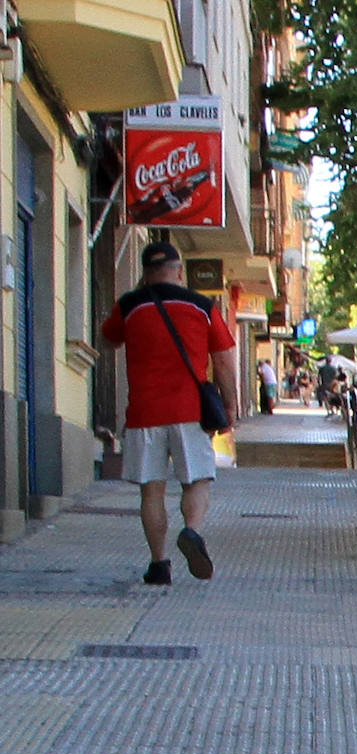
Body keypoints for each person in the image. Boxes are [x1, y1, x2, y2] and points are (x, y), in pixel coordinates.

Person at [101, 241, 237, 585]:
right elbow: (223, 360)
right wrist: (230, 404)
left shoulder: (129, 305)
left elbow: (109, 339)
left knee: (151, 491)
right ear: (179, 271)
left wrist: (138, 292)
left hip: (144, 413)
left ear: (145, 273)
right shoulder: (202, 306)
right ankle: (191, 531)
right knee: (197, 480)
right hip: (190, 412)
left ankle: (159, 564)